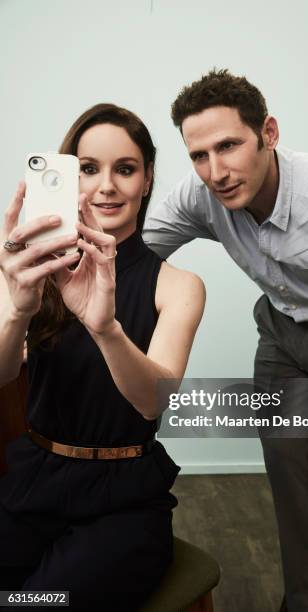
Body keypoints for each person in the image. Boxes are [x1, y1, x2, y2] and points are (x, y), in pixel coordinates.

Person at [143, 69, 308, 611]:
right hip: (281, 338)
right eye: (198, 155)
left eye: (229, 146)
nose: (215, 171)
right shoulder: (201, 194)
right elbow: (137, 255)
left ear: (269, 132)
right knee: (288, 469)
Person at [0, 103, 205, 611]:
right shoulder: (28, 271)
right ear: (69, 177)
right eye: (88, 168)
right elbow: (4, 374)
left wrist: (105, 328)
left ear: (148, 177)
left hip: (124, 502)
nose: (106, 186)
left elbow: (152, 403)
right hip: (35, 482)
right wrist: (16, 311)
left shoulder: (178, 286)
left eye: (125, 168)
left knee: (32, 605)